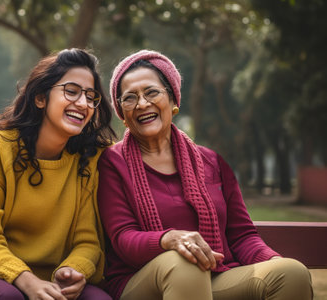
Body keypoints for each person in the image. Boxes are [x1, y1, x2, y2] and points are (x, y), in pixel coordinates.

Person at [97, 50, 313, 300]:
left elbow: (242, 235)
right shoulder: (112, 163)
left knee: (290, 273)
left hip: (215, 276)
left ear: (173, 99)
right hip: (142, 281)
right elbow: (124, 239)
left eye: (152, 92)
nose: (142, 104)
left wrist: (271, 261)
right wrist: (169, 239)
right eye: (130, 98)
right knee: (184, 262)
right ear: (122, 114)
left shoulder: (212, 162)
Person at [0, 48, 116, 300]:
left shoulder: (89, 159)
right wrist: (26, 280)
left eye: (90, 96)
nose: (83, 104)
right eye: (71, 91)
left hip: (50, 277)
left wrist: (73, 270)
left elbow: (88, 240)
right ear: (40, 98)